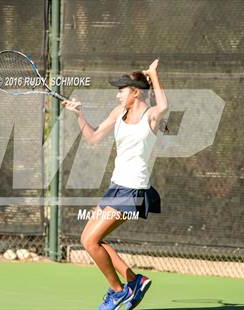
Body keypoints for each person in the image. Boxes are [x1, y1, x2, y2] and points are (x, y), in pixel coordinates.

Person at [62, 59, 168, 310]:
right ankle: (135, 280)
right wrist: (79, 114)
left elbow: (163, 105)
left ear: (135, 92)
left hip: (134, 191)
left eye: (122, 89)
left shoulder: (151, 116)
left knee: (90, 241)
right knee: (91, 239)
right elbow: (93, 137)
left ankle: (118, 290)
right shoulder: (118, 114)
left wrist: (153, 74)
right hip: (116, 187)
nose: (117, 94)